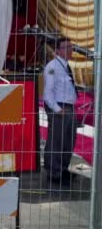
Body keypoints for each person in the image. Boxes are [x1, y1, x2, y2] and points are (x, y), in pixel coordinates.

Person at [43, 37, 78, 185]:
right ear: (57, 51)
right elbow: (47, 92)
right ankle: (54, 173)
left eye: (70, 47)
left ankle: (63, 169)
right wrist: (57, 109)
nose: (70, 50)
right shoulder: (53, 67)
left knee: (68, 141)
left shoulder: (65, 66)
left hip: (68, 107)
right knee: (57, 141)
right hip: (59, 107)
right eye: (65, 47)